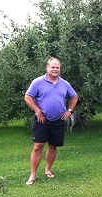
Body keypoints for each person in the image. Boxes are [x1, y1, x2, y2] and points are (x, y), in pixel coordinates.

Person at [24, 57, 78, 185]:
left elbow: (74, 97)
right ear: (47, 68)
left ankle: (48, 169)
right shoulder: (37, 82)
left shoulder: (65, 84)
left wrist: (69, 110)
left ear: (60, 69)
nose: (55, 69)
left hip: (59, 119)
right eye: (52, 67)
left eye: (57, 67)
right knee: (38, 146)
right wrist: (37, 111)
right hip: (42, 119)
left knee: (53, 145)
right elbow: (28, 97)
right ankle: (33, 174)